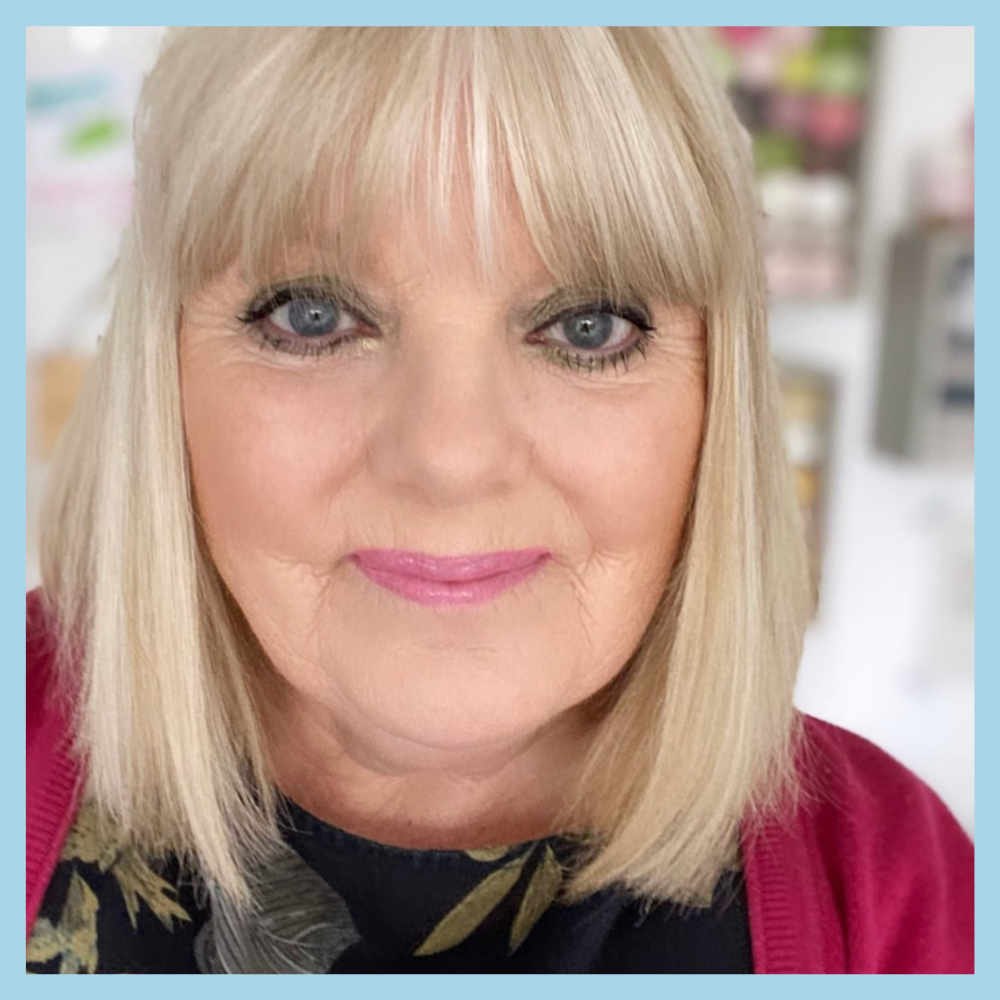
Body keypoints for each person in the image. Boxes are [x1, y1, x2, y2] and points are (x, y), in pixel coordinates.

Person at [26, 26, 973, 974]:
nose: (452, 458)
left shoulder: (909, 897)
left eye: (587, 326)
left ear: (714, 399)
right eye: (312, 317)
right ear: (163, 372)